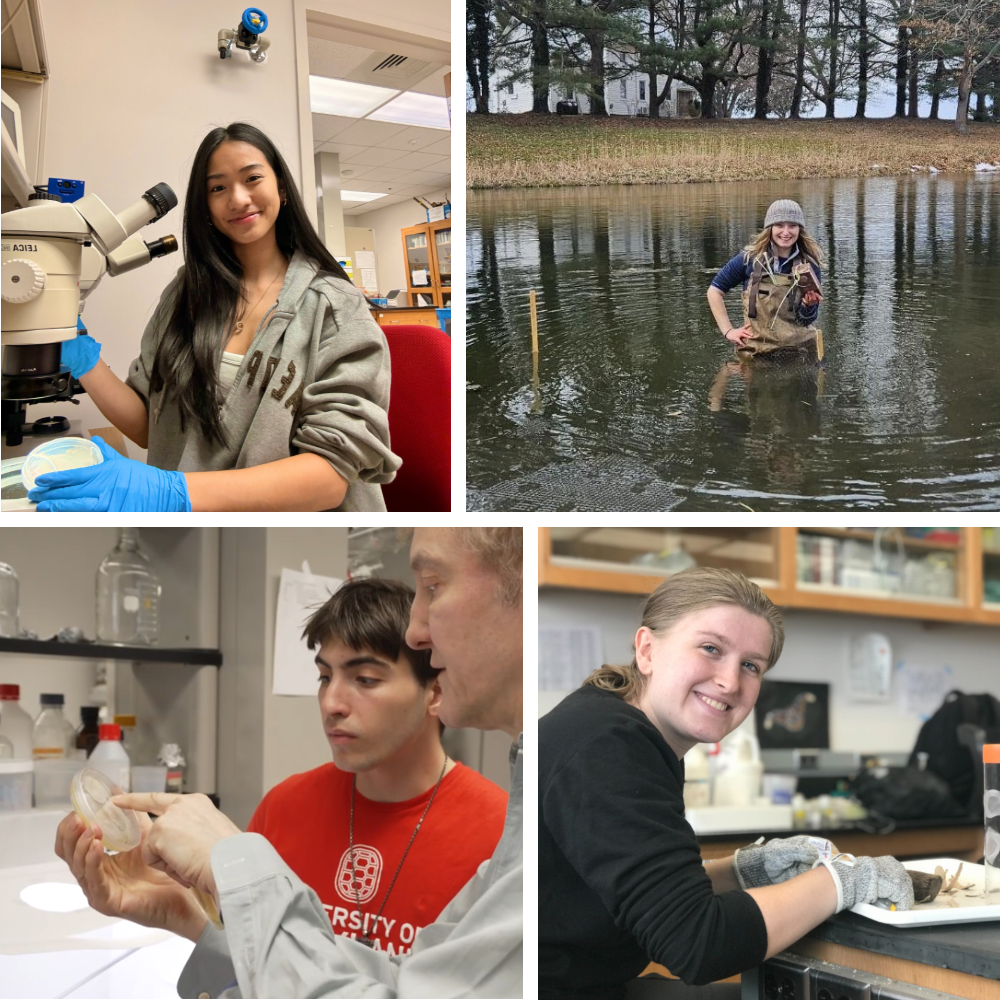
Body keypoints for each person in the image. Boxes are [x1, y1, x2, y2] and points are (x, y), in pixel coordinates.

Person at [58, 527, 523, 998]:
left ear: (434, 690)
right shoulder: (284, 807)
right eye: (325, 677)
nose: (332, 703)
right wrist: (183, 912)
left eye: (364, 679)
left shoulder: (501, 835)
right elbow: (273, 974)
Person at [539, 567, 913, 1000]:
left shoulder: (617, 728)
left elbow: (639, 894)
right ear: (647, 650)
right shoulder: (606, 744)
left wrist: (738, 872)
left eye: (751, 666)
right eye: (711, 648)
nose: (730, 681)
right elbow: (698, 945)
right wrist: (845, 880)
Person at [28, 122, 400, 512]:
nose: (238, 199)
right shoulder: (186, 293)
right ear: (204, 206)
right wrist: (82, 356)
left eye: (252, 178)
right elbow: (148, 426)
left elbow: (328, 479)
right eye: (218, 188)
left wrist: (172, 493)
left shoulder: (335, 306)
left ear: (282, 189)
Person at [707, 199, 825, 359]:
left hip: (799, 352)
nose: (786, 232)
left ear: (799, 229)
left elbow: (806, 320)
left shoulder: (809, 265)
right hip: (756, 352)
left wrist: (809, 306)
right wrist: (728, 331)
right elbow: (714, 291)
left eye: (792, 225)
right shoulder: (748, 260)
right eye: (779, 225)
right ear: (769, 228)